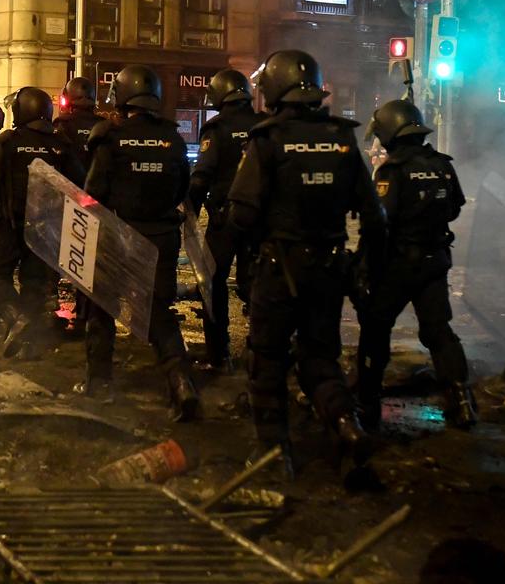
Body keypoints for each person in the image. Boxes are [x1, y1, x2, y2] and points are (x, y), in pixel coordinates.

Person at [227, 50, 385, 475]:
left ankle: (274, 455)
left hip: (280, 270)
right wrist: (362, 264)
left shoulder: (268, 139)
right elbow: (374, 214)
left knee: (268, 360)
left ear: (275, 89)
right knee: (320, 357)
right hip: (330, 269)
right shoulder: (343, 139)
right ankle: (346, 427)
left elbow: (241, 213)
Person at [81, 64, 199, 421]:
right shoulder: (173, 138)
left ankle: (99, 382)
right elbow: (183, 189)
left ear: (121, 96)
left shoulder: (110, 137)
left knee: (102, 308)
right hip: (162, 239)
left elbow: (92, 193)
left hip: (119, 235)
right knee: (158, 313)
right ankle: (180, 382)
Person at [358, 99, 476, 429]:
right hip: (434, 262)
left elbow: (378, 224)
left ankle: (366, 399)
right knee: (439, 332)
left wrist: (364, 267)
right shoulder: (442, 165)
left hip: (397, 265)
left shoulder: (391, 171)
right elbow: (454, 209)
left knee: (376, 328)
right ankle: (462, 400)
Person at [0, 87, 84, 356]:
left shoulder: (8, 141)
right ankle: (31, 345)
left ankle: (16, 319)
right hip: (48, 228)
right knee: (34, 285)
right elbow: (80, 186)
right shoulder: (62, 145)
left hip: (11, 225)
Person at [188, 68, 264, 371]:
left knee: (213, 284)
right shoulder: (263, 126)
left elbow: (201, 177)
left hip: (224, 222)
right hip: (258, 221)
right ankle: (259, 350)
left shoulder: (217, 129)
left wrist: (189, 214)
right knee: (257, 285)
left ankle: (219, 354)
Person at [53, 76, 105, 334]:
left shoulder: (62, 125)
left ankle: (58, 314)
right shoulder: (105, 126)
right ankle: (86, 316)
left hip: (69, 201)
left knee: (64, 258)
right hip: (97, 203)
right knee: (90, 261)